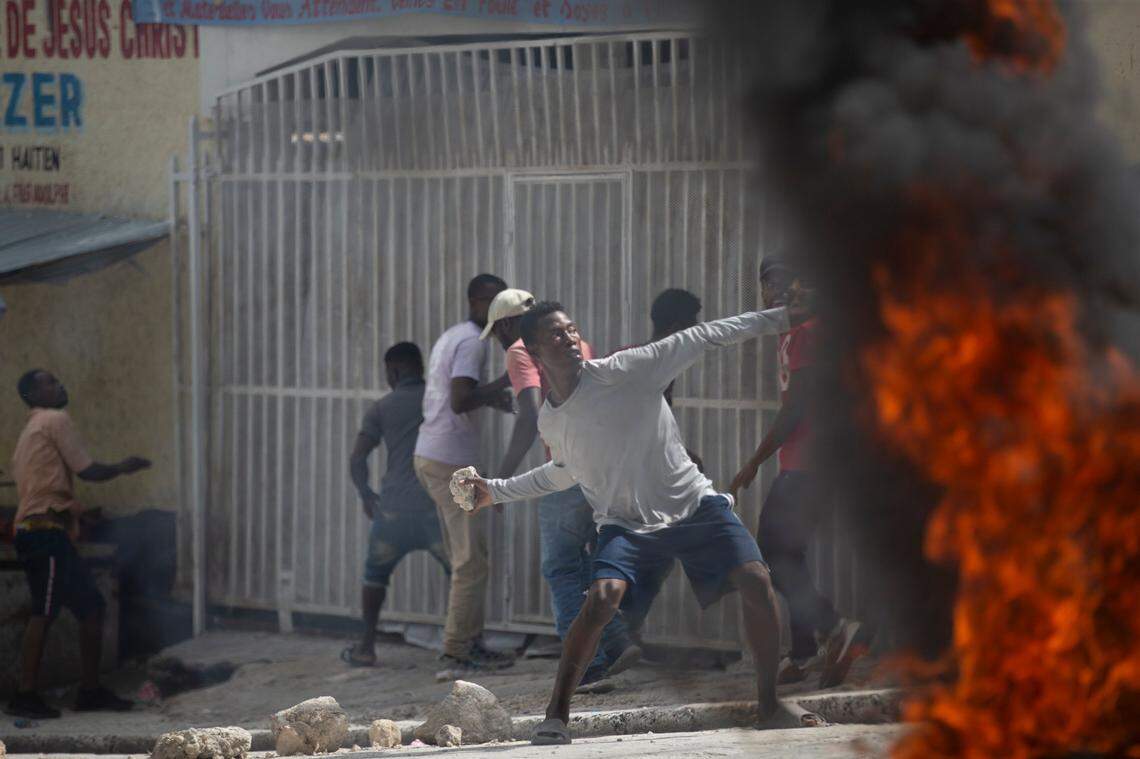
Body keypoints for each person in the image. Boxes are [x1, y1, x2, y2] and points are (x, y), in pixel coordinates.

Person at [462, 301, 819, 745]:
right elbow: (563, 471)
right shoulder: (552, 419)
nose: (569, 339)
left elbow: (704, 335)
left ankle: (769, 705)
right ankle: (556, 714)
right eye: (555, 335)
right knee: (601, 600)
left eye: (572, 330)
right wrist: (494, 490)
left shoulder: (626, 369)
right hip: (625, 523)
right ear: (533, 350)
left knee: (755, 578)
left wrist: (783, 318)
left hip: (693, 505)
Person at [481, 289, 640, 690]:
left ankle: (587, 666)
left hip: (568, 465)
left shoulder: (520, 350)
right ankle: (617, 641)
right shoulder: (573, 339)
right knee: (583, 563)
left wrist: (500, 483)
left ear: (504, 325)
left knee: (561, 568)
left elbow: (530, 415)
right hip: (601, 464)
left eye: (498, 333)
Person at [729, 257, 867, 688]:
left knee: (773, 550)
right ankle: (806, 651)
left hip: (811, 462)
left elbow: (798, 408)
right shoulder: (794, 333)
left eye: (787, 283)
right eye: (769, 284)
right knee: (787, 554)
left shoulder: (810, 333)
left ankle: (833, 627)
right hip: (807, 461)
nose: (778, 292)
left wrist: (753, 460)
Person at [7, 370, 150, 719]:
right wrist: (122, 467)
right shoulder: (53, 419)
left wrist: (75, 515)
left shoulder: (31, 430)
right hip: (43, 532)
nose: (59, 385)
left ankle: (90, 690)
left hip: (43, 530)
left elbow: (47, 484)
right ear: (32, 394)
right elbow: (86, 471)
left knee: (91, 608)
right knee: (45, 610)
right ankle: (25, 694)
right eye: (49, 382)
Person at [413, 273, 516, 673]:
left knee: (472, 556)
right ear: (475, 302)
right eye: (492, 301)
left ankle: (470, 642)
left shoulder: (456, 334)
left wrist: (492, 396)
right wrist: (502, 386)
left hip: (437, 456)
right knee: (470, 559)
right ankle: (457, 651)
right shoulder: (473, 341)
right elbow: (459, 400)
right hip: (449, 462)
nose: (499, 309)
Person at [342, 342, 451, 667]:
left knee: (375, 574)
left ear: (394, 371)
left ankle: (365, 646)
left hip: (393, 511)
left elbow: (358, 457)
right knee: (460, 573)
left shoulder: (382, 407)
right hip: (435, 509)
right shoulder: (439, 400)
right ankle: (461, 645)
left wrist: (366, 494)